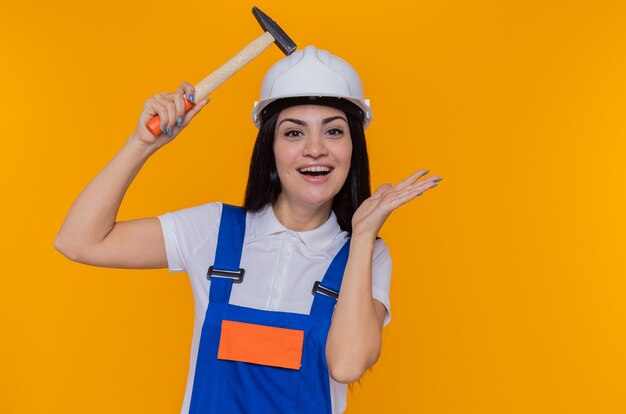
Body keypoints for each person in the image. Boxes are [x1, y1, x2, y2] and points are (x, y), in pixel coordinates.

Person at [54, 45, 442, 414]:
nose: (315, 148)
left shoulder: (367, 255)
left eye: (333, 131)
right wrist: (141, 144)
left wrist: (360, 237)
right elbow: (79, 241)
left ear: (353, 147)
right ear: (269, 148)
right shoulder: (213, 229)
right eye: (293, 132)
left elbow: (346, 365)